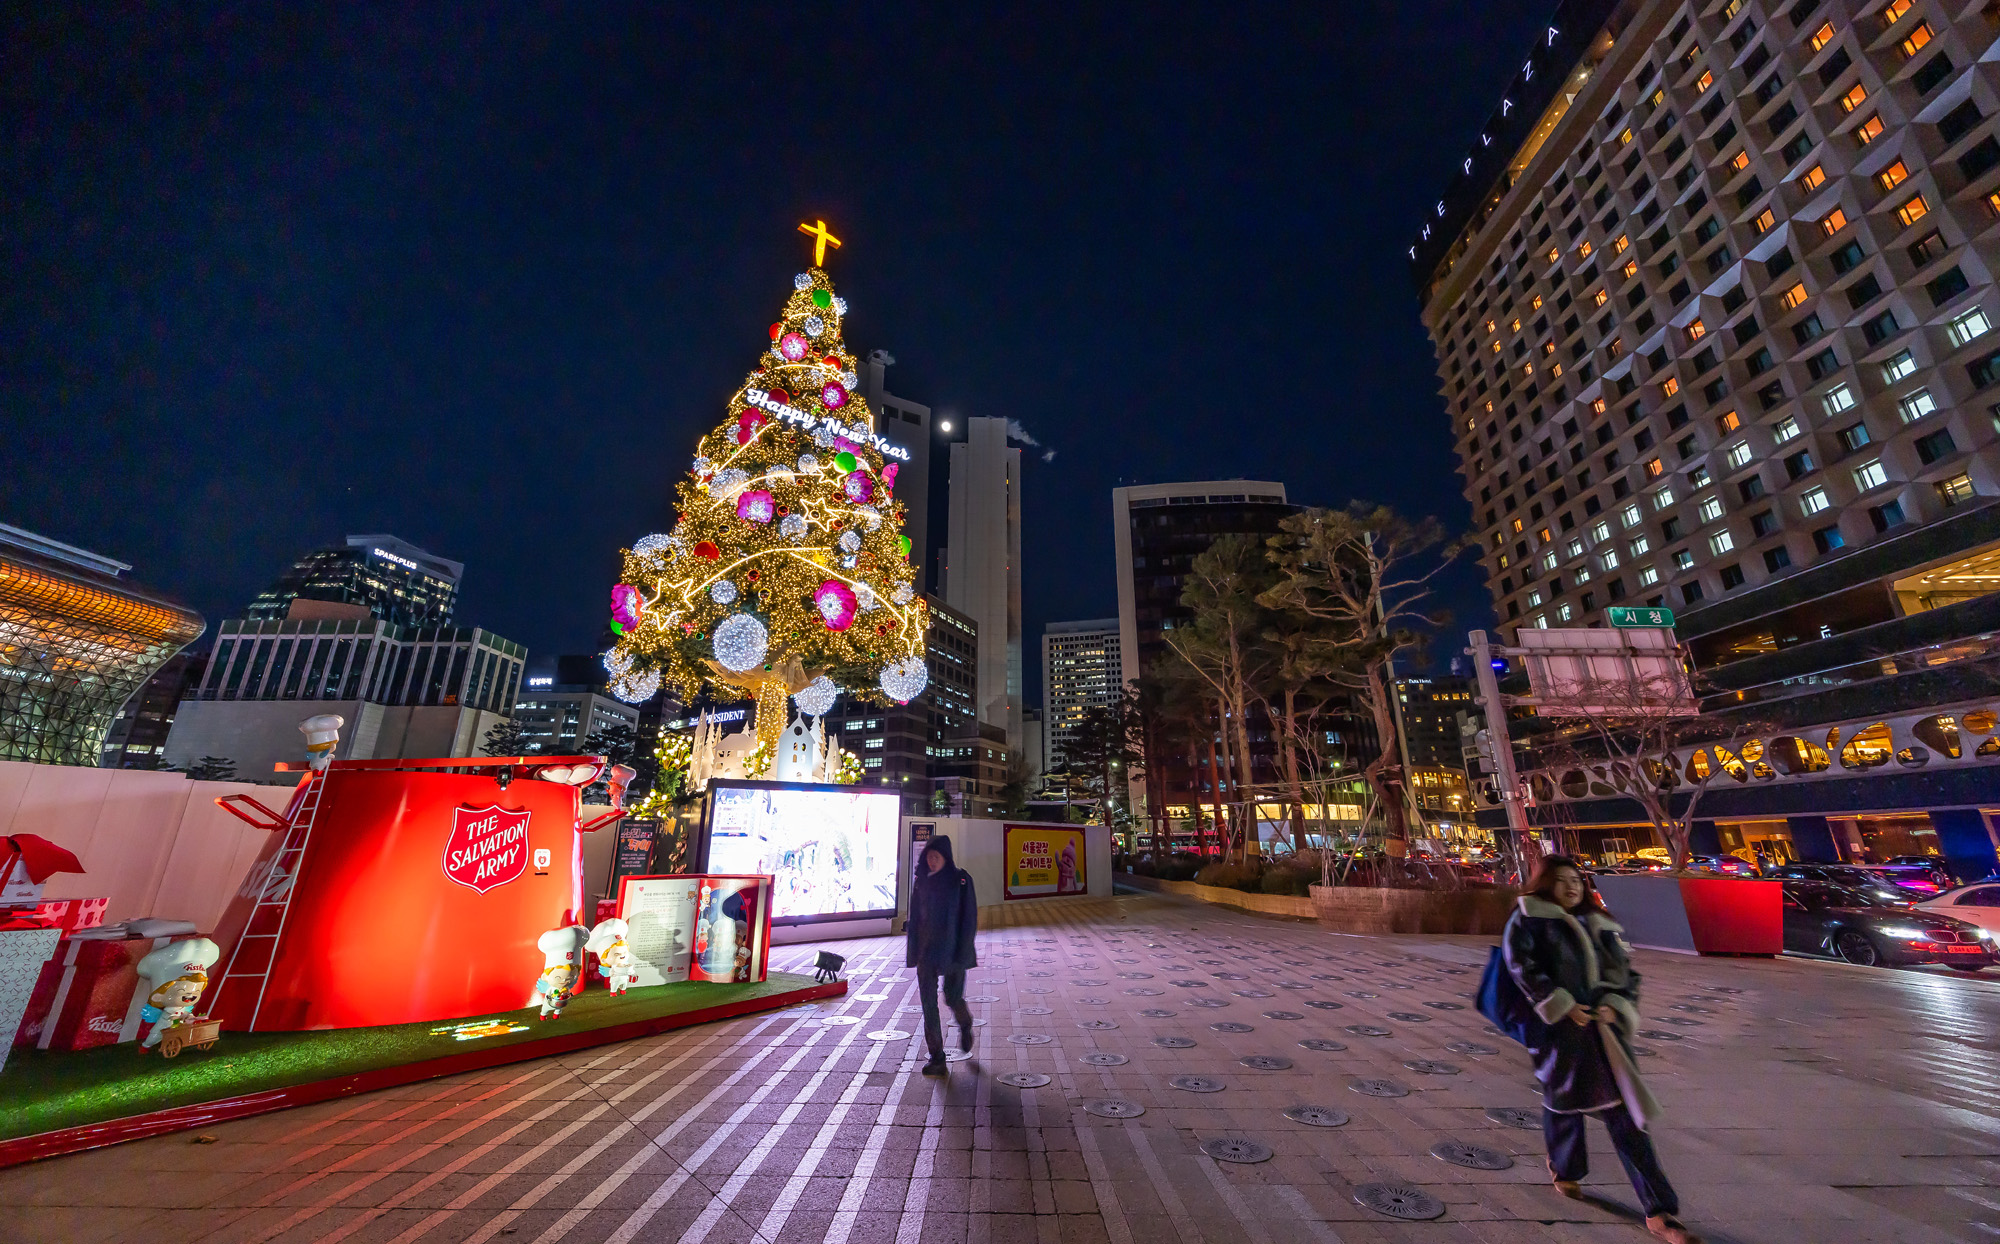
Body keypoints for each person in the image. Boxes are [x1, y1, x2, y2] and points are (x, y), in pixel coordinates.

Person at [1503, 856, 1701, 1244]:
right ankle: (1565, 1168)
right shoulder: (1528, 918)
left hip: (1603, 1034)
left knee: (1625, 1116)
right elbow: (1521, 966)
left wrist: (1616, 1003)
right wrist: (1561, 1005)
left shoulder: (1601, 922)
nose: (1572, 887)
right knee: (1563, 1108)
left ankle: (1659, 1210)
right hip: (1558, 1033)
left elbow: (1626, 974)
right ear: (1545, 884)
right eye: (1562, 881)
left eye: (1576, 880)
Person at [906, 835, 978, 1075]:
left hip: (953, 951)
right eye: (929, 857)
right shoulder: (921, 882)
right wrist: (913, 952)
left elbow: (969, 920)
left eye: (936, 857)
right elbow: (915, 919)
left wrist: (964, 950)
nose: (932, 862)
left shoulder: (961, 881)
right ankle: (937, 1055)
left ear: (946, 858)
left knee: (952, 997)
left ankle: (965, 1023)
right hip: (927, 952)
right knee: (928, 1004)